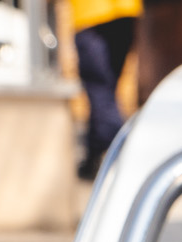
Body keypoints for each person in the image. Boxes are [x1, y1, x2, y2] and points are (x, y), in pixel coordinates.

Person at [68, 0, 142, 181]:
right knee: (106, 89)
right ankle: (93, 157)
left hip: (91, 14)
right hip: (125, 11)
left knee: (100, 89)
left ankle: (122, 146)